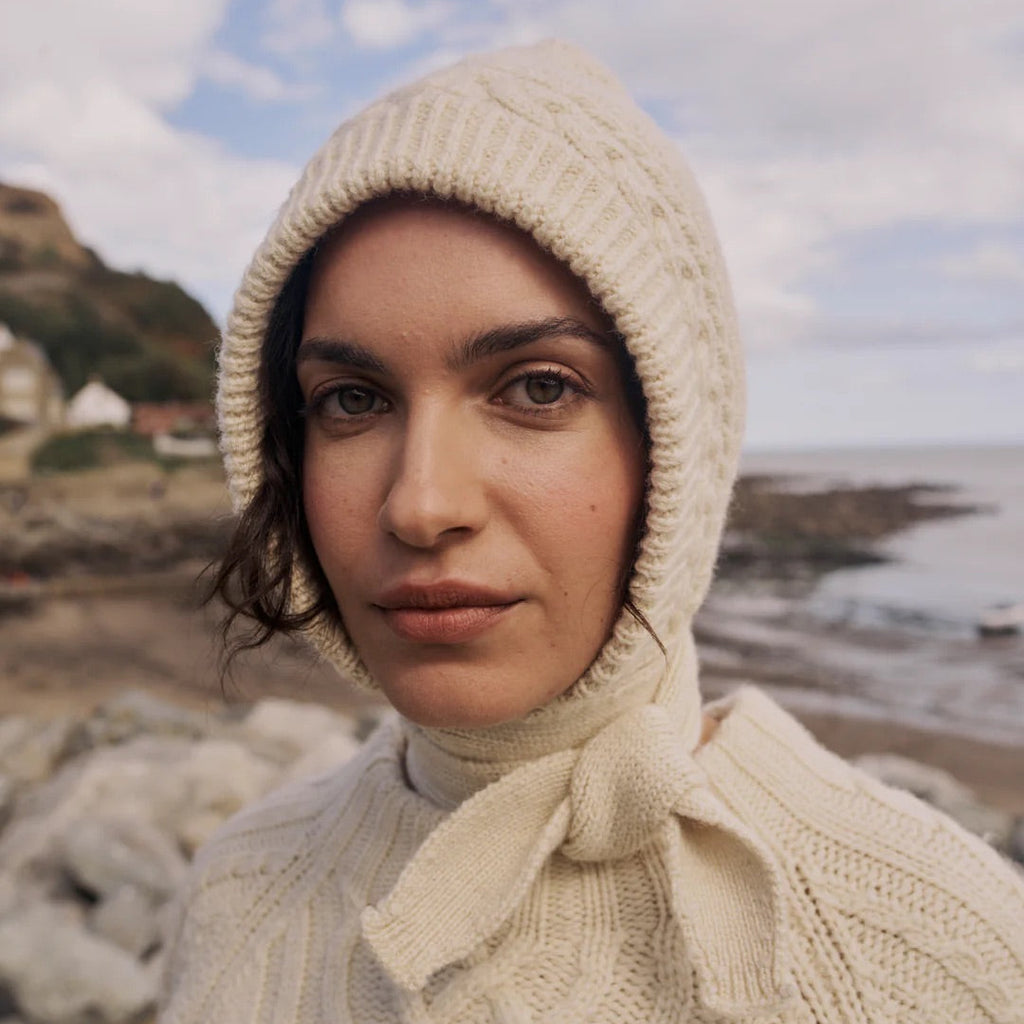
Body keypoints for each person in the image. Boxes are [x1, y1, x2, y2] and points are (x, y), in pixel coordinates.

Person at [160, 40, 1024, 1024]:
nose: (421, 504)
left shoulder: (947, 952)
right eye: (352, 400)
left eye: (538, 388)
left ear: (676, 441)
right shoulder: (236, 892)